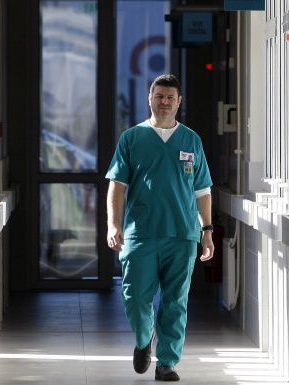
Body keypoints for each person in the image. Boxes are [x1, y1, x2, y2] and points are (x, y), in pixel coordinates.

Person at [105, 74, 214, 382]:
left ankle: (167, 361)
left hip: (182, 234)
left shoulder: (191, 140)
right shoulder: (132, 138)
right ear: (149, 99)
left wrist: (207, 231)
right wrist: (113, 225)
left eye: (170, 97)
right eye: (159, 96)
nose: (164, 102)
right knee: (135, 295)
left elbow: (203, 191)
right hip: (141, 233)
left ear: (179, 102)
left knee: (176, 301)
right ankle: (143, 338)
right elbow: (116, 185)